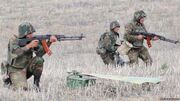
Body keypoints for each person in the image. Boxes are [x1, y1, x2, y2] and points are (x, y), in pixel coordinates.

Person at [1, 22, 57, 91]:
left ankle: (36, 86)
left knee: (39, 60)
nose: (32, 35)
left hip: (27, 67)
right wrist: (29, 46)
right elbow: (15, 53)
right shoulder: (14, 40)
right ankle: (9, 80)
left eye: (32, 33)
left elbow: (40, 54)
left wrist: (49, 42)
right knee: (22, 90)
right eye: (29, 33)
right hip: (16, 70)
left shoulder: (32, 40)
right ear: (24, 34)